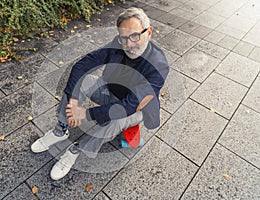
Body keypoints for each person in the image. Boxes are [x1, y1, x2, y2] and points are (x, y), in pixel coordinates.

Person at [31, 7, 169, 181]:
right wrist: (73, 102)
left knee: (117, 118)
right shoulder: (118, 44)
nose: (128, 44)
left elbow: (130, 105)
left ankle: (77, 149)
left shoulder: (159, 65)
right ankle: (61, 129)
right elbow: (83, 64)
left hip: (136, 109)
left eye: (135, 36)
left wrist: (86, 114)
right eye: (124, 38)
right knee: (85, 81)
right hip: (109, 89)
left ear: (148, 32)